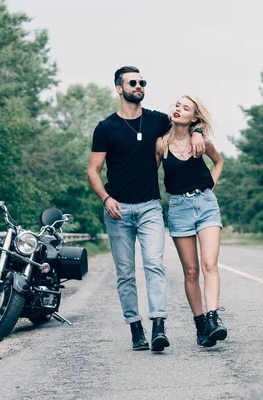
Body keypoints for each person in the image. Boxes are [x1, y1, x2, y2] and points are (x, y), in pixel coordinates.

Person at [87, 66, 205, 352]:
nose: (139, 86)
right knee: (126, 273)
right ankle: (135, 327)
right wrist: (105, 198)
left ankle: (159, 326)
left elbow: (184, 123)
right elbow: (93, 170)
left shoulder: (156, 121)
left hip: (151, 207)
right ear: (119, 88)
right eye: (133, 82)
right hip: (118, 211)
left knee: (154, 265)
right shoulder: (106, 128)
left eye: (142, 82)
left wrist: (199, 131)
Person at [155, 95, 227, 347]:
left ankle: (213, 319)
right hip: (178, 208)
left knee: (210, 264)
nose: (178, 109)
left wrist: (211, 185)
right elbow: (150, 175)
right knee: (191, 270)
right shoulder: (161, 144)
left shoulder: (202, 142)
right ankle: (200, 326)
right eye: (177, 105)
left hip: (206, 206)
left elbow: (218, 162)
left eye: (185, 108)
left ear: (194, 118)